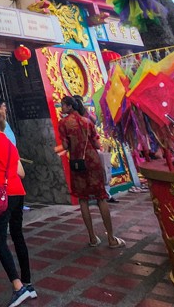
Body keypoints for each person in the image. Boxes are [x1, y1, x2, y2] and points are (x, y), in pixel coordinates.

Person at [0, 109, 33, 307]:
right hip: (18, 192)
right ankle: (28, 282)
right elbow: (21, 172)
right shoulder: (11, 144)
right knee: (18, 235)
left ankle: (17, 285)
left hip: (2, 195)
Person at [57, 96, 122, 249]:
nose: (61, 108)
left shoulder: (64, 123)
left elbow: (65, 145)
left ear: (68, 107)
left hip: (77, 162)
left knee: (83, 199)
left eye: (63, 105)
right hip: (93, 161)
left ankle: (93, 237)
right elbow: (97, 143)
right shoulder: (87, 122)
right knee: (101, 198)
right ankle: (111, 238)